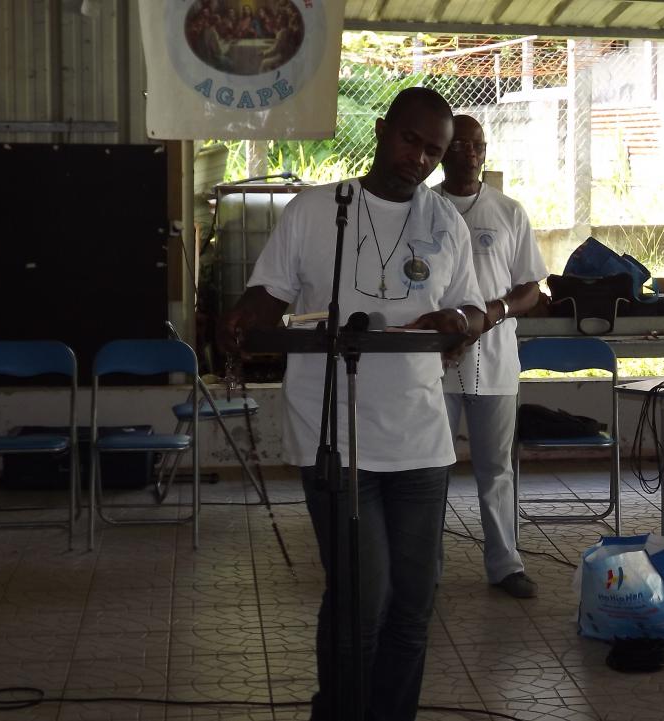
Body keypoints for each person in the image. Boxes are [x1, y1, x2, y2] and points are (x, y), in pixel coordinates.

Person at [218, 87, 485, 721]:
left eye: (434, 151)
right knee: (361, 599)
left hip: (420, 439)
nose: (419, 159)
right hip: (334, 433)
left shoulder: (444, 222)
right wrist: (242, 321)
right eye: (410, 140)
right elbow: (268, 295)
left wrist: (460, 322)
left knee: (413, 603)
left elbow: (472, 308)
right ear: (381, 128)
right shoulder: (317, 210)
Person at [435, 115, 547, 599]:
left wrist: (492, 313)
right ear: (443, 150)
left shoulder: (508, 211)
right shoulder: (423, 207)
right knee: (430, 469)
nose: (470, 152)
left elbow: (530, 288)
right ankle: (425, 568)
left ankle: (505, 565)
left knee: (496, 469)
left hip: (495, 361)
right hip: (434, 363)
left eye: (477, 145)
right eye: (459, 144)